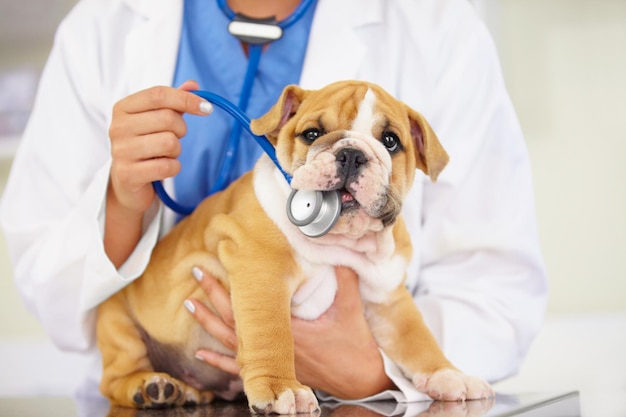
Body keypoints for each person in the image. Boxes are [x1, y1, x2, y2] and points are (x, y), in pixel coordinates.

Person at [0, 0, 548, 404]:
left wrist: (373, 371)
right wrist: (120, 201)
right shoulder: (101, 26)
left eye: (384, 143)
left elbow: (498, 287)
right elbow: (43, 266)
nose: (352, 157)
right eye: (316, 135)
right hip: (173, 386)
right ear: (287, 123)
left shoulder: (439, 29)